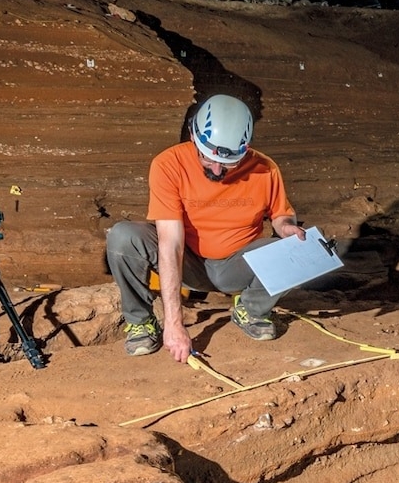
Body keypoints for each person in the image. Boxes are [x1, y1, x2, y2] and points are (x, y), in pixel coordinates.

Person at [105, 94, 304, 359]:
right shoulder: (169, 165)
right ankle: (141, 321)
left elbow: (280, 215)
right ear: (192, 135)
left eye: (228, 163)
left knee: (300, 248)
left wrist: (287, 227)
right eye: (208, 159)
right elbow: (171, 242)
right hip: (189, 262)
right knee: (123, 237)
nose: (218, 170)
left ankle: (251, 309)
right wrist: (174, 324)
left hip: (236, 266)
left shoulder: (265, 169)